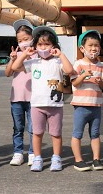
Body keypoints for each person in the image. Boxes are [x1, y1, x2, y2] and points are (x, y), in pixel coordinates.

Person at [12, 26, 74, 172]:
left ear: (54, 46)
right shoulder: (33, 62)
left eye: (47, 44)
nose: (43, 47)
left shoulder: (58, 62)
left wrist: (61, 55)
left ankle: (56, 158)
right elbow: (15, 67)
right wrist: (25, 54)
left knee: (56, 133)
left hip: (55, 105)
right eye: (40, 44)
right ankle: (37, 158)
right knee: (37, 133)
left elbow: (70, 71)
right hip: (37, 105)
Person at [70, 30, 103, 171]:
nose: (94, 49)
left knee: (95, 134)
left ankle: (96, 159)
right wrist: (84, 75)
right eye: (90, 45)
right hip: (81, 106)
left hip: (96, 105)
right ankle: (78, 160)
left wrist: (100, 82)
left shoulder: (101, 66)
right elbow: (74, 83)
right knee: (77, 133)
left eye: (97, 46)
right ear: (82, 48)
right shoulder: (78, 64)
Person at [4, 19, 35, 166]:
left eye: (26, 39)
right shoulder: (16, 55)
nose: (23, 42)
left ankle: (33, 152)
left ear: (33, 38)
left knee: (33, 127)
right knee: (18, 127)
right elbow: (9, 72)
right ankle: (18, 153)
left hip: (34, 97)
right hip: (16, 97)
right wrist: (12, 59)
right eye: (20, 40)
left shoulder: (37, 55)